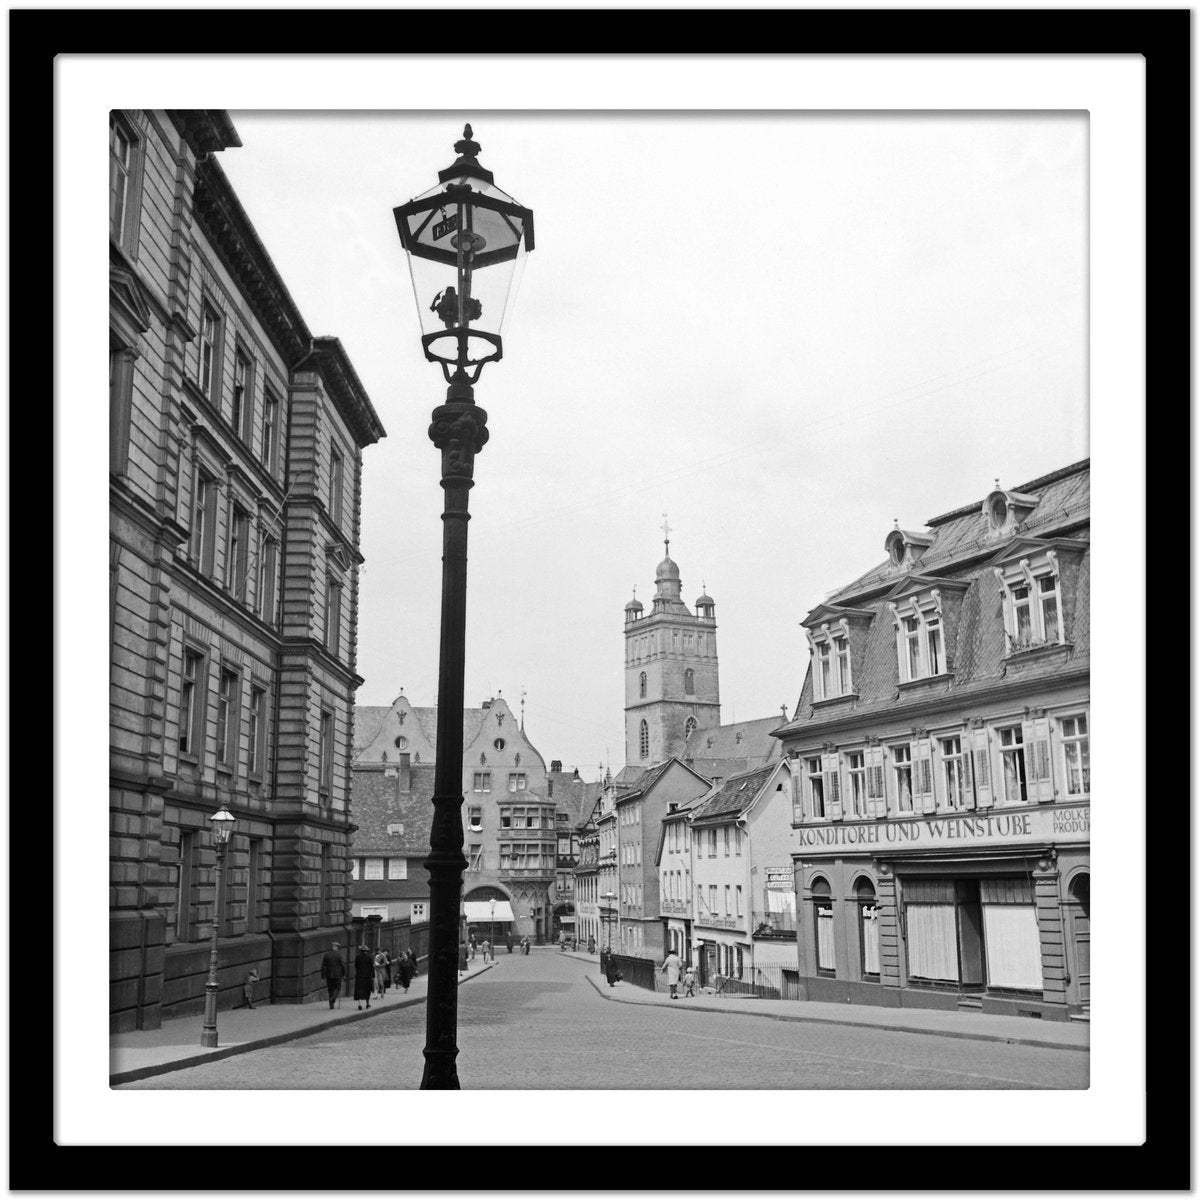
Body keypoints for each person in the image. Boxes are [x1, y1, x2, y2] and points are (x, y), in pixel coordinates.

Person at [320, 942, 345, 1010]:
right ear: (336, 947)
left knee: (330, 989)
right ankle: (332, 999)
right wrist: (343, 974)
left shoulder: (326, 955)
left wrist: (323, 975)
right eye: (337, 947)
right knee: (337, 988)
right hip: (337, 975)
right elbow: (343, 965)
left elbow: (323, 966)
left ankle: (331, 1005)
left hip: (329, 975)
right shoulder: (339, 955)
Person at [354, 945, 374, 1010]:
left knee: (359, 990)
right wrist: (373, 976)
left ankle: (359, 1004)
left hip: (359, 976)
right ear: (366, 951)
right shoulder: (369, 957)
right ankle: (367, 1003)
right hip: (367, 976)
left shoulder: (357, 957)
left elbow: (356, 966)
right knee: (367, 990)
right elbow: (372, 967)